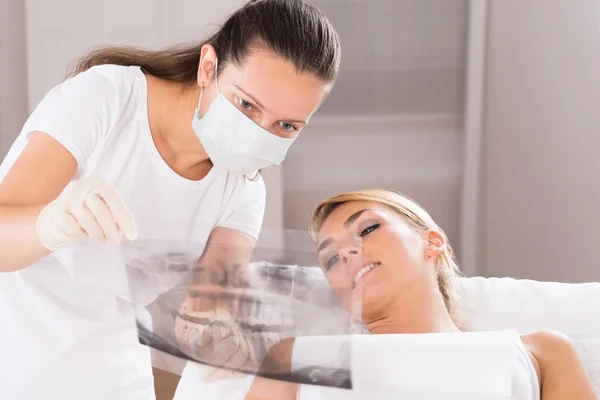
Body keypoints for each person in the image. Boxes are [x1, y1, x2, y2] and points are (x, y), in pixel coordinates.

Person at [0, 0, 341, 398]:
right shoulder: (108, 97)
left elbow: (210, 306)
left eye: (286, 125)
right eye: (247, 105)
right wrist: (52, 223)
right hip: (14, 344)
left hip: (111, 370)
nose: (259, 132)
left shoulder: (244, 191)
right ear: (208, 67)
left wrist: (217, 335)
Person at [307, 188, 597, 400]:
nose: (345, 252)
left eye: (367, 228)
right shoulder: (304, 364)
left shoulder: (542, 352)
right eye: (330, 260)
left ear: (433, 242)